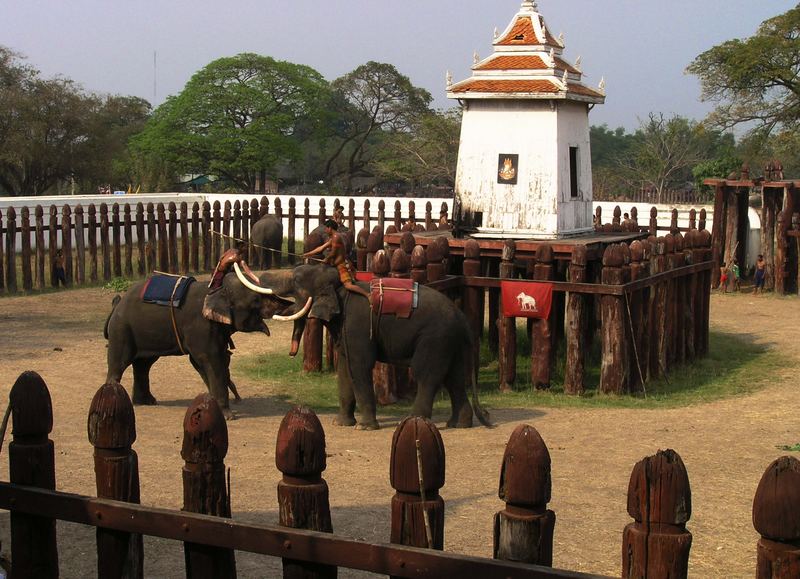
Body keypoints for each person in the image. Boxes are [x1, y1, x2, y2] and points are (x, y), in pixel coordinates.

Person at [304, 219, 370, 302]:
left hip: (342, 264)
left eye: (326, 228)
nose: (325, 230)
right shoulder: (333, 238)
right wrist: (308, 254)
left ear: (330, 228)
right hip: (336, 263)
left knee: (348, 285)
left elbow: (332, 253)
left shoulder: (336, 237)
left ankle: (367, 295)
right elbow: (321, 248)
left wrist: (326, 259)